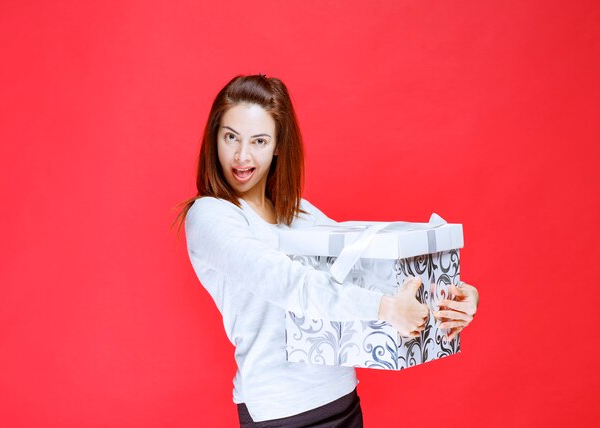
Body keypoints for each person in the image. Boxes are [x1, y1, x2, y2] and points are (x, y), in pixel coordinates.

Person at [173, 74, 479, 427]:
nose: (242, 156)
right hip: (280, 412)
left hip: (341, 398)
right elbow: (287, 283)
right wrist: (386, 308)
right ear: (215, 139)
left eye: (258, 141)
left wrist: (450, 296)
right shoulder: (210, 215)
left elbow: (367, 273)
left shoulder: (299, 212)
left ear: (277, 145)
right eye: (231, 138)